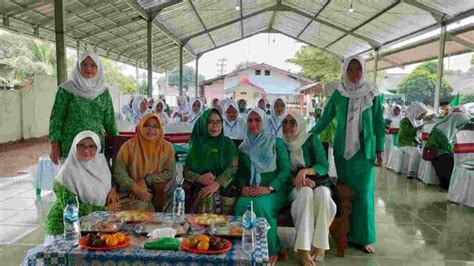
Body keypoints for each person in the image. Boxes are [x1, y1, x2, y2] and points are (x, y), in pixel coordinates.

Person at [309, 56, 384, 253]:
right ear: (344, 71)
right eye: (350, 70)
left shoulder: (374, 94)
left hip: (364, 153)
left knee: (364, 195)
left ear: (363, 71)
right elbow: (325, 120)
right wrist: (308, 135)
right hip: (343, 153)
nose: (354, 74)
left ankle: (364, 238)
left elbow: (378, 124)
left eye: (358, 69)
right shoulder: (338, 94)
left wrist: (380, 150)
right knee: (345, 194)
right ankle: (345, 233)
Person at [235, 108, 291, 265]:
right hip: (252, 190)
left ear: (264, 121)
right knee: (241, 204)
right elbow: (239, 174)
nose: (253, 124)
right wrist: (242, 188)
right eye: (250, 120)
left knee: (259, 206)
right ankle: (247, 247)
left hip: (275, 190)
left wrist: (269, 188)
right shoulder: (243, 148)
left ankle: (271, 250)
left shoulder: (276, 142)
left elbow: (285, 171)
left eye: (257, 120)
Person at [282, 112, 335, 266]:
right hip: (294, 185)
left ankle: (320, 244)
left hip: (316, 182)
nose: (288, 126)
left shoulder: (311, 139)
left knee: (324, 194)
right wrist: (297, 180)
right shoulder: (281, 143)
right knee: (305, 193)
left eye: (293, 122)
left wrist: (304, 172)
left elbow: (324, 165)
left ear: (300, 124)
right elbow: (281, 170)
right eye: (285, 122)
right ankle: (303, 250)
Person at [45, 131, 120, 237]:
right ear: (74, 147)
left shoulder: (100, 161)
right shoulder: (66, 174)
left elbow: (109, 179)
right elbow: (71, 209)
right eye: (81, 146)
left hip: (94, 224)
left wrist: (112, 188)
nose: (86, 150)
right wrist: (105, 209)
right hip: (67, 227)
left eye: (91, 146)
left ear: (97, 147)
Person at [49, 51, 118, 165]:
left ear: (98, 68)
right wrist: (54, 146)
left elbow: (110, 120)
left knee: (94, 180)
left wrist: (117, 145)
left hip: (95, 147)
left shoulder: (103, 92)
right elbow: (56, 119)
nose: (88, 68)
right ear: (78, 66)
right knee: (70, 181)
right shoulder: (66, 89)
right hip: (70, 146)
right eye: (84, 64)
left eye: (93, 65)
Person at [113, 113, 176, 211]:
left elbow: (169, 172)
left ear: (160, 129)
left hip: (155, 190)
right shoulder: (128, 147)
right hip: (128, 191)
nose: (151, 130)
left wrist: (146, 181)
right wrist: (135, 188)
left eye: (155, 126)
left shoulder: (167, 148)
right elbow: (119, 173)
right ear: (140, 127)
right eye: (146, 125)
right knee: (140, 207)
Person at [184, 109, 238, 214]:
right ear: (203, 123)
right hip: (200, 187)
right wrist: (199, 178)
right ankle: (203, 229)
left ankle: (214, 229)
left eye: (218, 122)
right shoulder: (196, 145)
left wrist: (217, 184)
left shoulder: (227, 143)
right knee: (206, 195)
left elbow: (233, 167)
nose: (215, 126)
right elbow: (186, 172)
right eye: (210, 122)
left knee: (208, 196)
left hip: (225, 188)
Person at [425, 107, 472, 190]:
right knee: (449, 164)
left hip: (445, 151)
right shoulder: (442, 129)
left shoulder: (452, 127)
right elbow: (446, 145)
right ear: (457, 121)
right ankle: (447, 184)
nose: (462, 126)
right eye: (461, 123)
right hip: (436, 152)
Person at [396, 102, 428, 179]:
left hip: (414, 142)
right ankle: (411, 173)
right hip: (404, 142)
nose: (422, 117)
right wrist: (418, 128)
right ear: (415, 112)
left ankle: (419, 173)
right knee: (416, 153)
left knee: (423, 151)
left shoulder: (418, 121)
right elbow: (405, 132)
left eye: (423, 115)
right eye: (421, 114)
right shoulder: (405, 120)